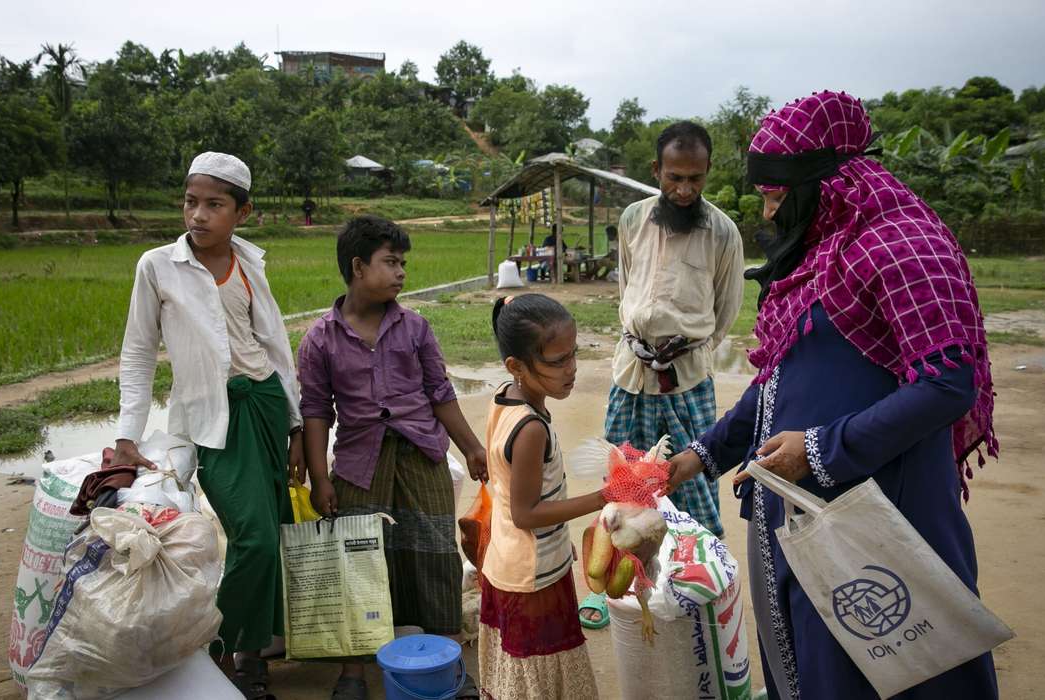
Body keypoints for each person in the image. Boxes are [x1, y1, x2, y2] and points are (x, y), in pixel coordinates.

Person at [667, 91, 1000, 699]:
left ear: (820, 181)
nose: (768, 215)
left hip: (875, 514)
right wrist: (700, 456)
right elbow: (780, 380)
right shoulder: (821, 251)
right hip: (801, 509)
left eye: (774, 196)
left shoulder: (903, 244)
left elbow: (949, 382)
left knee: (896, 667)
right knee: (817, 670)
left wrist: (819, 451)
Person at [114, 151, 302, 700]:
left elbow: (275, 347)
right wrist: (128, 435)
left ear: (241, 213)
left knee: (277, 534)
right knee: (256, 538)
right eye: (191, 201)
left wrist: (294, 426)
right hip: (212, 419)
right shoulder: (157, 266)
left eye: (214, 204)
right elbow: (138, 352)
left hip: (264, 405)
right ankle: (218, 651)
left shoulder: (249, 263)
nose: (198, 214)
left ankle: (255, 653)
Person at [297, 215, 487, 700]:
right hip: (360, 462)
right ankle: (354, 671)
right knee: (357, 560)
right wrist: (321, 479)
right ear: (359, 267)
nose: (402, 272)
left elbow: (440, 394)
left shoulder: (415, 328)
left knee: (434, 554)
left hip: (421, 456)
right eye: (391, 262)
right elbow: (316, 413)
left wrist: (470, 446)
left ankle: (447, 660)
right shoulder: (320, 338)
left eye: (404, 263)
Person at [604, 120, 744, 538]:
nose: (684, 189)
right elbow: (627, 288)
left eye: (695, 178)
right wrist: (645, 344)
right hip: (630, 375)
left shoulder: (722, 233)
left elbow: (726, 310)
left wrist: (683, 351)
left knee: (691, 482)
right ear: (656, 171)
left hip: (688, 381)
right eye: (675, 178)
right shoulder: (633, 220)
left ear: (708, 172)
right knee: (624, 484)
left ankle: (696, 583)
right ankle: (630, 582)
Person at [479, 293, 603, 699]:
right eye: (556, 361)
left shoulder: (507, 398)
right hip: (531, 575)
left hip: (509, 561)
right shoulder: (531, 429)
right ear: (517, 366)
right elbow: (527, 512)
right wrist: (604, 497)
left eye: (573, 355)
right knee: (539, 666)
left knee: (521, 666)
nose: (571, 370)